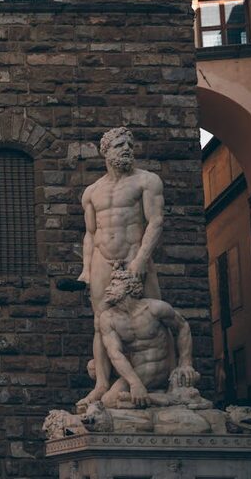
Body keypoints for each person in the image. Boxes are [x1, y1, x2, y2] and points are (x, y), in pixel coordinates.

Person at [76, 127, 165, 409]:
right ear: (105, 151)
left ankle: (165, 378)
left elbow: (155, 222)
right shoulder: (91, 192)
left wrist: (140, 259)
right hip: (102, 259)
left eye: (129, 144)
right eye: (118, 144)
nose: (126, 148)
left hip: (134, 255)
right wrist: (86, 270)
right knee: (100, 323)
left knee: (155, 313)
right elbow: (90, 233)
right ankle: (101, 384)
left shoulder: (147, 181)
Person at [98, 269, 197, 408]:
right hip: (137, 373)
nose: (108, 289)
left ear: (129, 287)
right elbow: (115, 354)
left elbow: (183, 326)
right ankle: (163, 399)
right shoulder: (108, 318)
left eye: (114, 285)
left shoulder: (155, 308)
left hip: (161, 369)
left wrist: (186, 363)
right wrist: (135, 383)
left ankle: (150, 399)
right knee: (108, 401)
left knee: (112, 401)